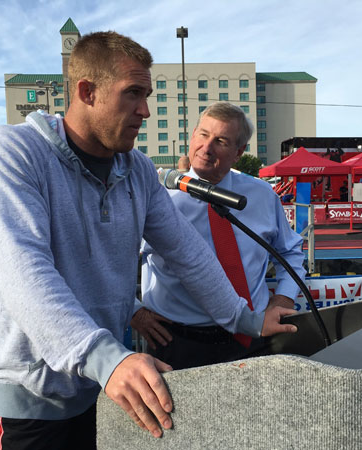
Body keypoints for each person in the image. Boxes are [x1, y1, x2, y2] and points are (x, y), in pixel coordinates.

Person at [0, 32, 297, 450]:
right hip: (32, 398)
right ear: (86, 91)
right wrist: (107, 359)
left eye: (147, 94)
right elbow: (24, 272)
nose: (145, 110)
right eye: (133, 94)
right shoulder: (11, 151)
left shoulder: (137, 168)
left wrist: (245, 319)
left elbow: (187, 252)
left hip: (102, 384)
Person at [131, 101, 306, 370]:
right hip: (178, 342)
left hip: (253, 337)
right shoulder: (157, 198)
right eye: (203, 134)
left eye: (221, 141)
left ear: (239, 152)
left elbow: (290, 251)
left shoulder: (261, 195)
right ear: (192, 136)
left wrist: (283, 298)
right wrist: (134, 312)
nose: (207, 147)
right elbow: (110, 260)